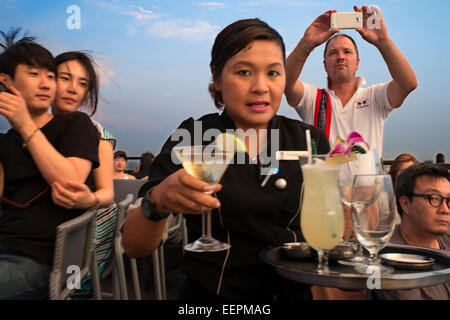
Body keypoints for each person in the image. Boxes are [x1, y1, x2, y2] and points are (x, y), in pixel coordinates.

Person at [122, 18, 330, 300]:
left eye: (273, 73)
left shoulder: (310, 140)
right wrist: (158, 200)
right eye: (244, 72)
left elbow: (332, 230)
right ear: (217, 77)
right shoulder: (193, 136)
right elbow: (134, 245)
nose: (261, 86)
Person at [0, 29, 99, 299]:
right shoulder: (6, 141)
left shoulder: (75, 124)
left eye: (50, 76)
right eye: (34, 74)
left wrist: (24, 123)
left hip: (47, 261)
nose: (46, 84)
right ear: (6, 83)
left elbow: (70, 182)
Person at [285, 6, 417, 157]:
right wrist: (306, 43)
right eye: (333, 53)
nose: (340, 57)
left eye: (347, 52)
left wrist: (383, 41)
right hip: (323, 181)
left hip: (368, 181)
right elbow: (285, 82)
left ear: (357, 63)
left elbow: (408, 84)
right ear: (324, 65)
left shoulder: (374, 96)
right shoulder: (312, 98)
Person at [50, 51, 118, 293]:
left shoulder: (95, 132)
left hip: (83, 240)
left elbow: (107, 194)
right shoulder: (37, 129)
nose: (73, 89)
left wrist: (90, 199)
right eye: (65, 78)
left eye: (82, 83)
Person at [374, 163, 450, 300]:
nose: (445, 209)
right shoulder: (391, 260)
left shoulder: (446, 237)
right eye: (434, 198)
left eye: (449, 201)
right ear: (405, 204)